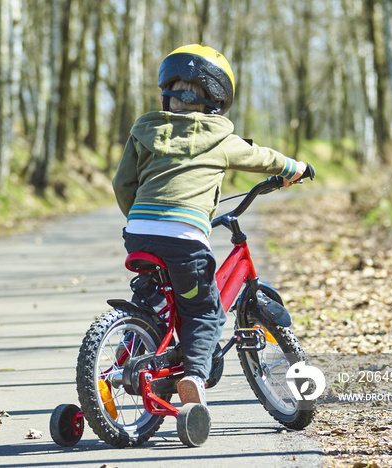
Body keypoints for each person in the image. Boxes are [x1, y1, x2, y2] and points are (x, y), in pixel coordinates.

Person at [112, 44, 307, 408]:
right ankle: (194, 378)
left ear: (166, 95)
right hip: (184, 238)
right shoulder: (220, 137)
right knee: (204, 310)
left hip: (138, 232)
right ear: (217, 101)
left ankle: (134, 345)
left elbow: (123, 184)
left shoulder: (145, 129)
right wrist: (293, 168)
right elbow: (261, 158)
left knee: (159, 293)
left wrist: (142, 217)